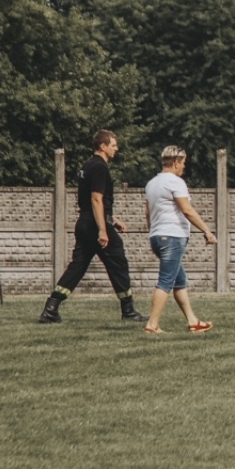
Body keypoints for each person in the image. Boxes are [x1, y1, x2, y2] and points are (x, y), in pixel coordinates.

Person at [39, 130, 144, 324]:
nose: (116, 148)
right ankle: (128, 310)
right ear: (103, 146)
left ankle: (51, 307)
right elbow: (96, 199)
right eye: (113, 145)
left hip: (85, 223)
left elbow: (92, 203)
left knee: (77, 266)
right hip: (95, 225)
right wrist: (103, 229)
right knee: (118, 262)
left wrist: (113, 219)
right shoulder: (100, 167)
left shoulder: (87, 165)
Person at [141, 145, 216, 334]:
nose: (184, 167)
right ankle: (152, 324)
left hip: (158, 236)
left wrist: (153, 235)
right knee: (166, 281)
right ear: (175, 162)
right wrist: (207, 230)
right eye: (183, 163)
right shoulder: (175, 182)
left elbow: (148, 213)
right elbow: (187, 210)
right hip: (172, 236)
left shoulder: (151, 184)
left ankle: (193, 321)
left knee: (179, 280)